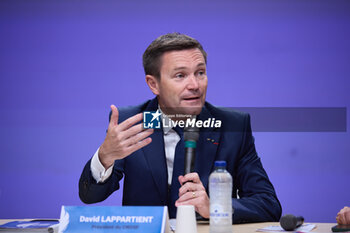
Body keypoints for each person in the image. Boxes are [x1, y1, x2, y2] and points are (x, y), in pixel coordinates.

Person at [79, 32, 282, 223]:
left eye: (200, 72)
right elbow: (90, 197)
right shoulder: (132, 122)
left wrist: (214, 206)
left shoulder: (232, 126)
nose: (195, 84)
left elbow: (268, 204)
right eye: (180, 76)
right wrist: (104, 157)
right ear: (153, 84)